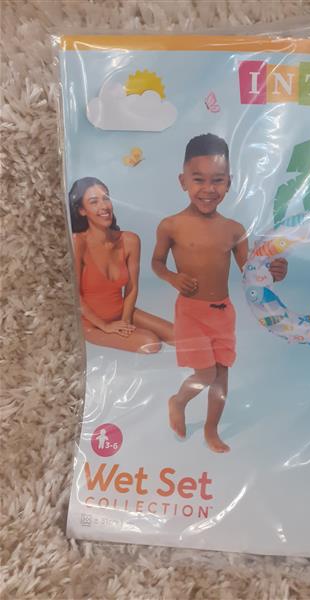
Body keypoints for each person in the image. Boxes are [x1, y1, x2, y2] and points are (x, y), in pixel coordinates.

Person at [152, 134, 287, 452]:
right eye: (198, 179)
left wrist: (273, 273)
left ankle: (211, 429)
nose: (208, 189)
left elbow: (250, 272)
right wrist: (172, 277)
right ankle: (178, 401)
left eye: (217, 180)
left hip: (223, 312)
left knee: (221, 374)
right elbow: (157, 263)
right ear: (183, 181)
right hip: (190, 312)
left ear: (229, 183)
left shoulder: (234, 230)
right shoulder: (171, 225)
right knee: (205, 372)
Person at [69, 177, 173, 353]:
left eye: (106, 198)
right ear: (82, 210)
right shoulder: (78, 242)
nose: (104, 206)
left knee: (177, 335)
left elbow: (132, 288)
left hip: (122, 312)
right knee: (151, 343)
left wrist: (125, 321)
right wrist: (105, 326)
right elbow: (74, 295)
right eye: (94, 202)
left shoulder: (130, 240)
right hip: (92, 324)